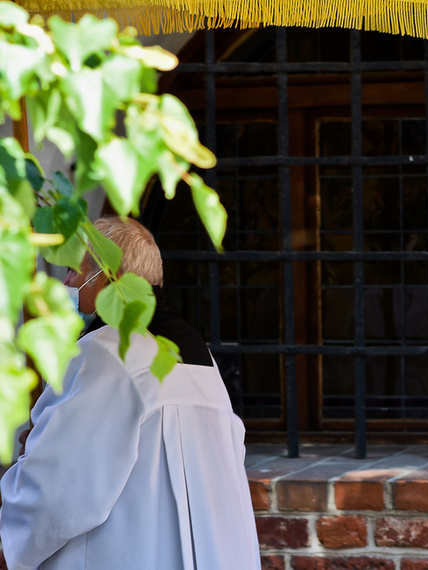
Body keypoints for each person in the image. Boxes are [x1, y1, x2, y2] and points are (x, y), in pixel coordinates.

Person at [0, 217, 261, 570]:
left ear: (107, 276)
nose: (66, 282)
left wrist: (31, 459)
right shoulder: (197, 353)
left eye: (74, 272)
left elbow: (59, 490)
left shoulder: (106, 351)